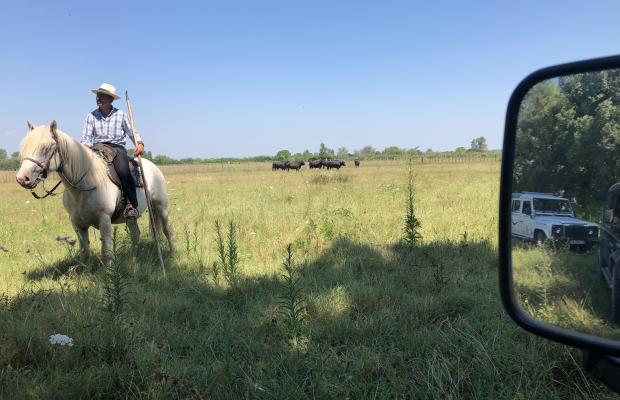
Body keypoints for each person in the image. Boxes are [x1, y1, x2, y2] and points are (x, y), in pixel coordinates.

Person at [81, 83, 144, 219]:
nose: (98, 98)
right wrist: (85, 148)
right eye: (98, 95)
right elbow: (85, 139)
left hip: (116, 149)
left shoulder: (121, 115)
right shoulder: (91, 117)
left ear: (111, 100)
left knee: (123, 170)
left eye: (102, 96)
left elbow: (132, 133)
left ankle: (131, 205)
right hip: (97, 149)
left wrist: (139, 143)